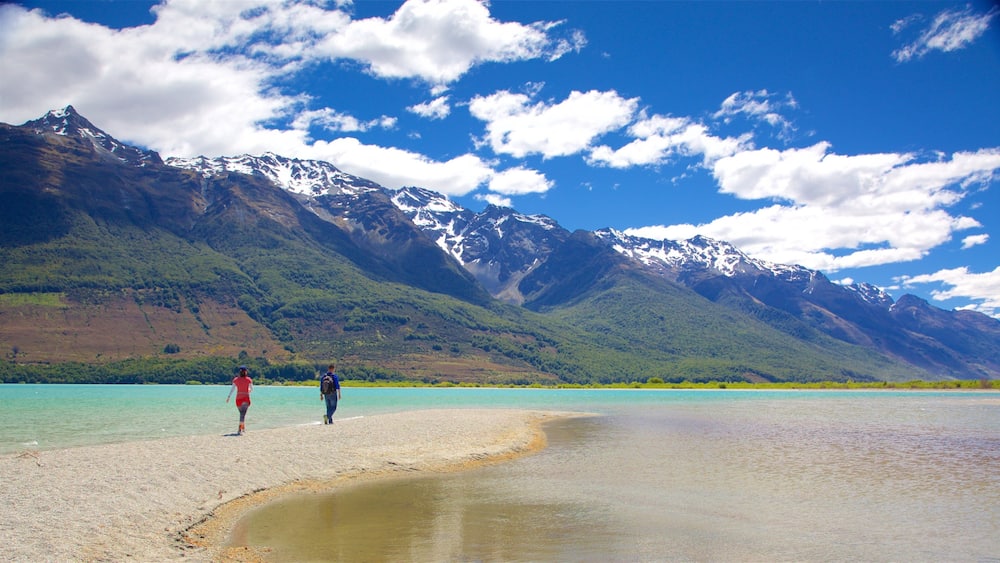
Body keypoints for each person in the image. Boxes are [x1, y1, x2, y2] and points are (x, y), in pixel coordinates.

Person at [226, 366, 253, 435]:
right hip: (246, 398)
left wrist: (228, 397)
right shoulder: (248, 380)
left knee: (241, 414)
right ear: (246, 372)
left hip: (238, 398)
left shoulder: (236, 380)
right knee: (243, 414)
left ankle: (242, 428)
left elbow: (232, 389)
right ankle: (240, 428)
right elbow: (251, 389)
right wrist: (248, 390)